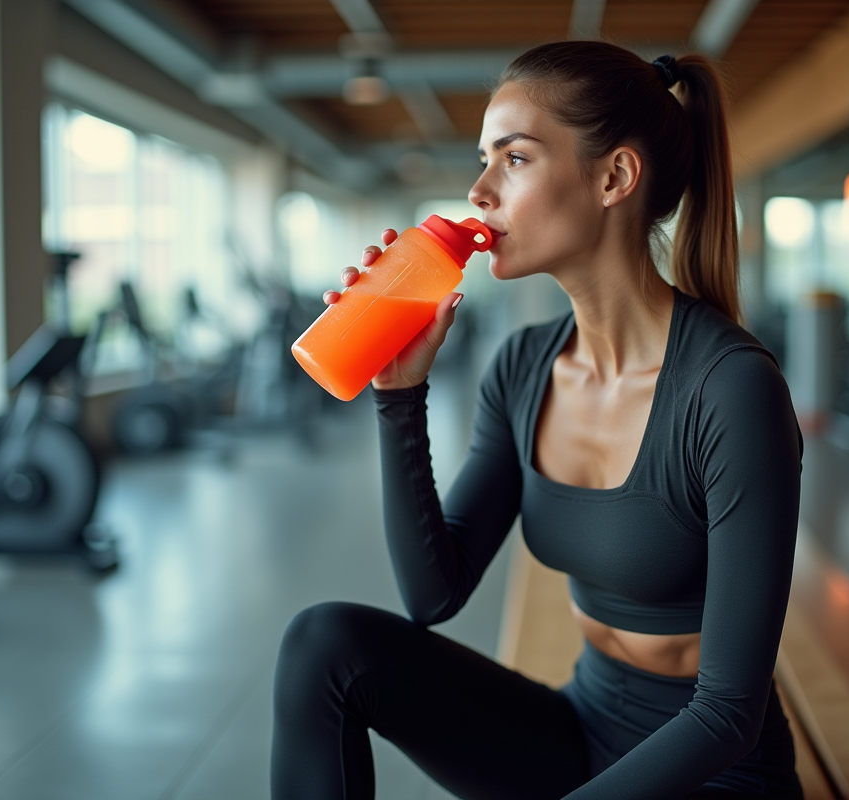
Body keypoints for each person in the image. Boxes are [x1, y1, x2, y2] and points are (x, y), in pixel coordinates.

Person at [271, 41, 804, 800]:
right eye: (484, 160)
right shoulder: (523, 366)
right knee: (325, 644)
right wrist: (399, 393)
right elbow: (434, 595)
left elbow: (727, 716)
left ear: (615, 176)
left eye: (513, 159)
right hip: (585, 730)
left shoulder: (731, 389)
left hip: (710, 770)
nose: (479, 190)